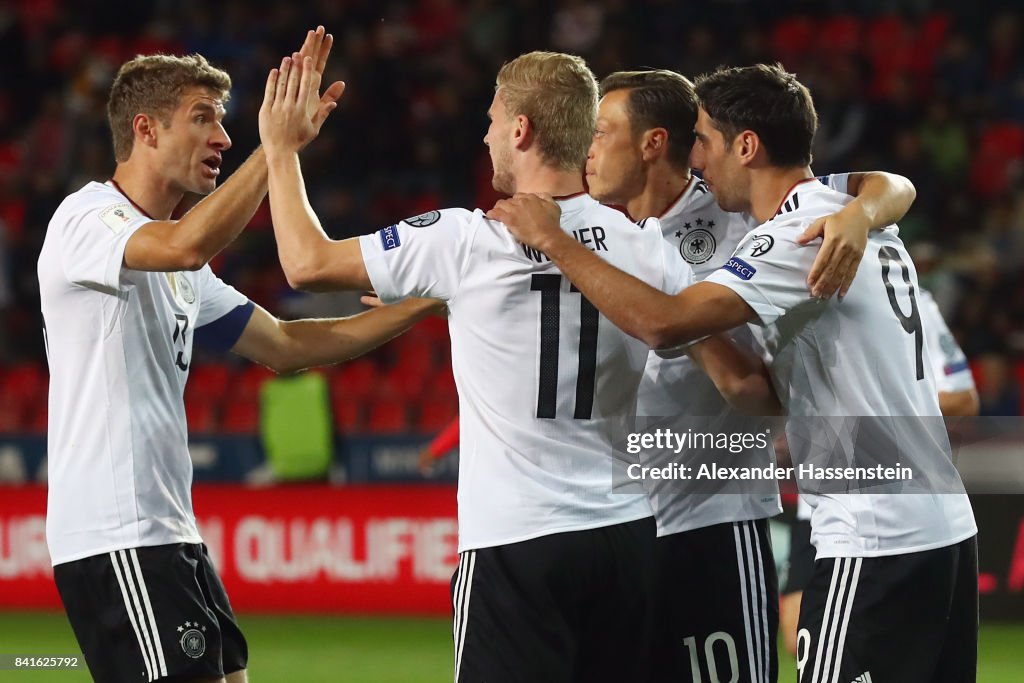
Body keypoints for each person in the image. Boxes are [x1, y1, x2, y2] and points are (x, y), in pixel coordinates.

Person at [258, 50, 781, 682]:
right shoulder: (646, 250)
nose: (484, 134)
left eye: (491, 118)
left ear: (521, 130)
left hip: (517, 539)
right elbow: (734, 374)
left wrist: (280, 150)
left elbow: (306, 264)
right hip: (625, 538)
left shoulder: (465, 240)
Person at [492, 64, 979, 683]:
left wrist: (558, 243)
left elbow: (665, 323)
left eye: (703, 140)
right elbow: (891, 186)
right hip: (943, 529)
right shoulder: (842, 209)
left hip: (872, 535)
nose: (695, 158)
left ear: (745, 146)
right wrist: (866, 211)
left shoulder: (792, 237)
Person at [39, 28, 442, 683]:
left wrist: (422, 305)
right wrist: (276, 150)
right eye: (203, 119)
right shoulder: (84, 221)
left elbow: (284, 346)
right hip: (116, 534)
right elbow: (183, 247)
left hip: (170, 532)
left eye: (225, 124)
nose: (222, 139)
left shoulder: (176, 262)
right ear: (145, 129)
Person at [585, 69, 918, 683]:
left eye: (601, 132)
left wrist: (864, 212)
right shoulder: (591, 231)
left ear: (652, 142)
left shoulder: (750, 214)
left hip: (716, 517)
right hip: (612, 527)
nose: (588, 149)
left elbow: (887, 185)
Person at [778, 273, 979, 657]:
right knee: (799, 635)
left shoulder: (910, 297)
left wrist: (883, 412)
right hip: (819, 504)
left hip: (886, 506)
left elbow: (963, 399)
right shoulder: (794, 289)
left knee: (855, 648)